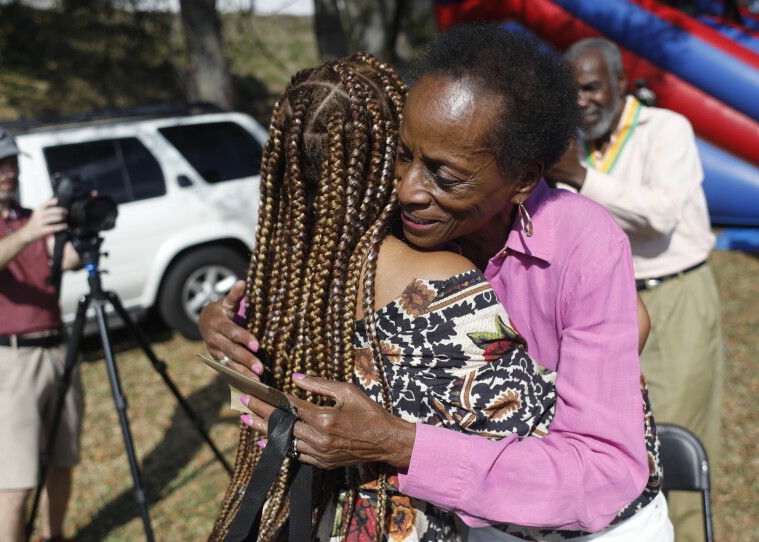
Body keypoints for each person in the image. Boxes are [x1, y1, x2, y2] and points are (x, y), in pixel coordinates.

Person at [203, 24, 671, 540]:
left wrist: (398, 443)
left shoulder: (583, 243)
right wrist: (231, 324)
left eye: (445, 175)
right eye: (403, 155)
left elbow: (602, 475)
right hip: (481, 519)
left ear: (521, 179)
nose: (408, 190)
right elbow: (316, 299)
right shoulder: (404, 229)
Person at [545, 38, 724, 542]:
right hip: (602, 307)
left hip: (672, 295)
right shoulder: (570, 140)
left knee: (676, 434)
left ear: (621, 84)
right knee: (617, 439)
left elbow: (662, 214)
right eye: (571, 90)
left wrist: (578, 177)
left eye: (592, 87)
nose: (581, 100)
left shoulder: (665, 129)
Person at [0, 125, 84, 542]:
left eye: (12, 162)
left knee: (62, 460)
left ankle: (52, 535)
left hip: (57, 349)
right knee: (16, 481)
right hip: (6, 358)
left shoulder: (28, 218)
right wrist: (32, 231)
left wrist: (81, 222)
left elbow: (69, 260)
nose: (8, 172)